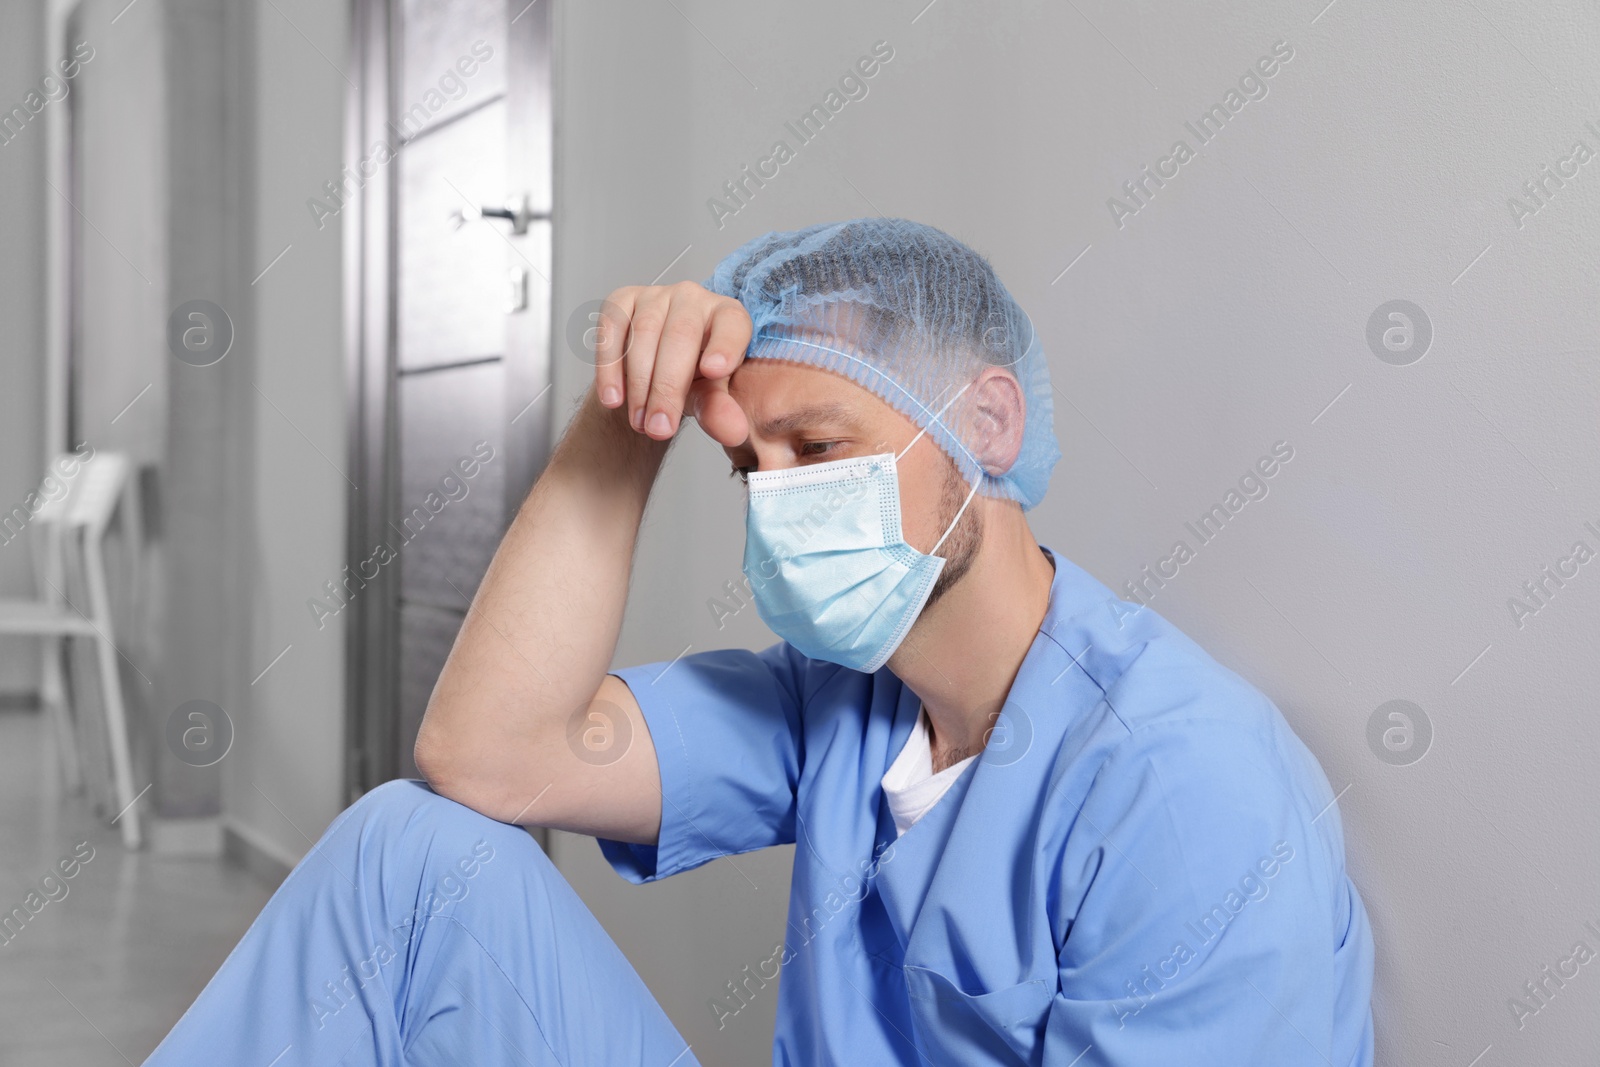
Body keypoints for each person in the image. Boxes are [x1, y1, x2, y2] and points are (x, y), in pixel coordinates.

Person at [145, 218, 1375, 1065]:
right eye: (745, 465)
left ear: (987, 421)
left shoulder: (1182, 785)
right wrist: (624, 417)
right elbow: (489, 757)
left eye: (820, 447)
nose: (778, 498)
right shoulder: (840, 704)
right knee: (405, 856)